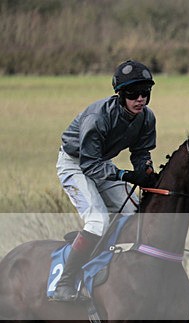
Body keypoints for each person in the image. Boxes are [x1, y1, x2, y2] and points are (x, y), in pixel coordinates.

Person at [50, 59, 160, 302]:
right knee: (98, 220)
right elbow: (89, 164)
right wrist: (124, 175)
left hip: (101, 163)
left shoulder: (147, 118)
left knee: (133, 214)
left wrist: (146, 170)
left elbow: (141, 152)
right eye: (133, 93)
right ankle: (65, 283)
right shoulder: (98, 118)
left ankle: (104, 262)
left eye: (145, 93)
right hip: (75, 164)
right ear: (120, 94)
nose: (140, 99)